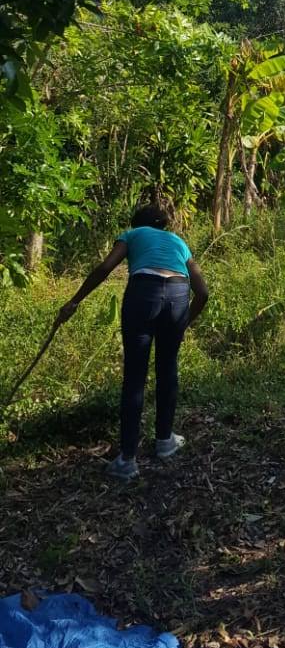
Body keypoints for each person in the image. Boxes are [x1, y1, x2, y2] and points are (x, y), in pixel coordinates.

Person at [56, 203, 209, 480]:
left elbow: (105, 268)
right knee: (167, 369)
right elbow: (203, 292)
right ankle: (164, 441)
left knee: (135, 376)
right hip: (178, 294)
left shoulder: (132, 234)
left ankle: (127, 459)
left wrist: (74, 301)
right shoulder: (177, 241)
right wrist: (183, 323)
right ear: (162, 224)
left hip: (144, 295)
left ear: (137, 223)